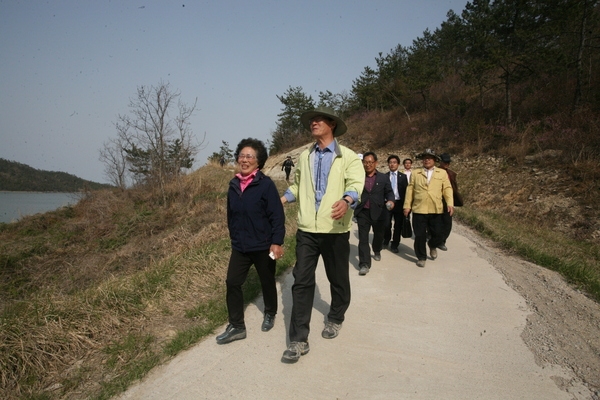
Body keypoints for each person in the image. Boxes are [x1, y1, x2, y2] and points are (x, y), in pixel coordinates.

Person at [280, 106, 364, 363]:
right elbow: (297, 185)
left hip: (335, 230)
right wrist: (282, 198)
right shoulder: (305, 157)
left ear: (332, 125)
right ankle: (298, 340)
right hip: (307, 229)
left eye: (318, 120)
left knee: (337, 277)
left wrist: (347, 199)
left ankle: (336, 317)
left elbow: (355, 184)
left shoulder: (348, 156)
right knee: (301, 281)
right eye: (311, 121)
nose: (313, 123)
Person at [215, 138, 285, 345]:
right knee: (232, 282)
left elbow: (277, 216)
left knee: (266, 280)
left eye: (249, 156)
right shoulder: (234, 184)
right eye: (242, 156)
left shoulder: (265, 185)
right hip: (241, 246)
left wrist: (276, 242)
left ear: (258, 161)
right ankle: (237, 326)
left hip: (264, 245)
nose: (244, 160)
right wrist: (234, 237)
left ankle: (270, 312)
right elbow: (231, 215)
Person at [403, 149, 453, 268]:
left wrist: (450, 203)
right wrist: (407, 206)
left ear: (435, 160)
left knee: (438, 234)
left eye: (429, 158)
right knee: (419, 235)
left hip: (436, 209)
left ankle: (432, 245)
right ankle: (421, 257)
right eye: (425, 158)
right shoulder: (416, 173)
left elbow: (447, 189)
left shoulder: (442, 173)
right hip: (419, 208)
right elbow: (410, 190)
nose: (427, 160)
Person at [354, 152, 395, 275]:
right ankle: (364, 264)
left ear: (376, 163)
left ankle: (377, 250)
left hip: (379, 212)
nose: (368, 165)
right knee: (363, 239)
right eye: (365, 162)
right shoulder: (358, 177)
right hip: (363, 212)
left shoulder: (383, 178)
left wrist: (391, 200)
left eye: (370, 162)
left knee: (379, 235)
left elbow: (389, 192)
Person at [383, 154, 409, 253]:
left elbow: (407, 192)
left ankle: (395, 244)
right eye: (390, 163)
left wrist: (407, 206)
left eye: (394, 163)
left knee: (398, 225)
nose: (392, 164)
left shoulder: (403, 177)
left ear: (398, 164)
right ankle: (386, 240)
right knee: (386, 224)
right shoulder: (384, 176)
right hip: (387, 203)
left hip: (399, 204)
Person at [438, 153, 461, 251]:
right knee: (434, 220)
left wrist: (453, 201)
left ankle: (442, 241)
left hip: (447, 200)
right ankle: (431, 235)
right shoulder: (434, 172)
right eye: (445, 162)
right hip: (435, 199)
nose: (447, 164)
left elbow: (454, 188)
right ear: (440, 162)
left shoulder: (451, 174)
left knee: (447, 222)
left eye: (448, 162)